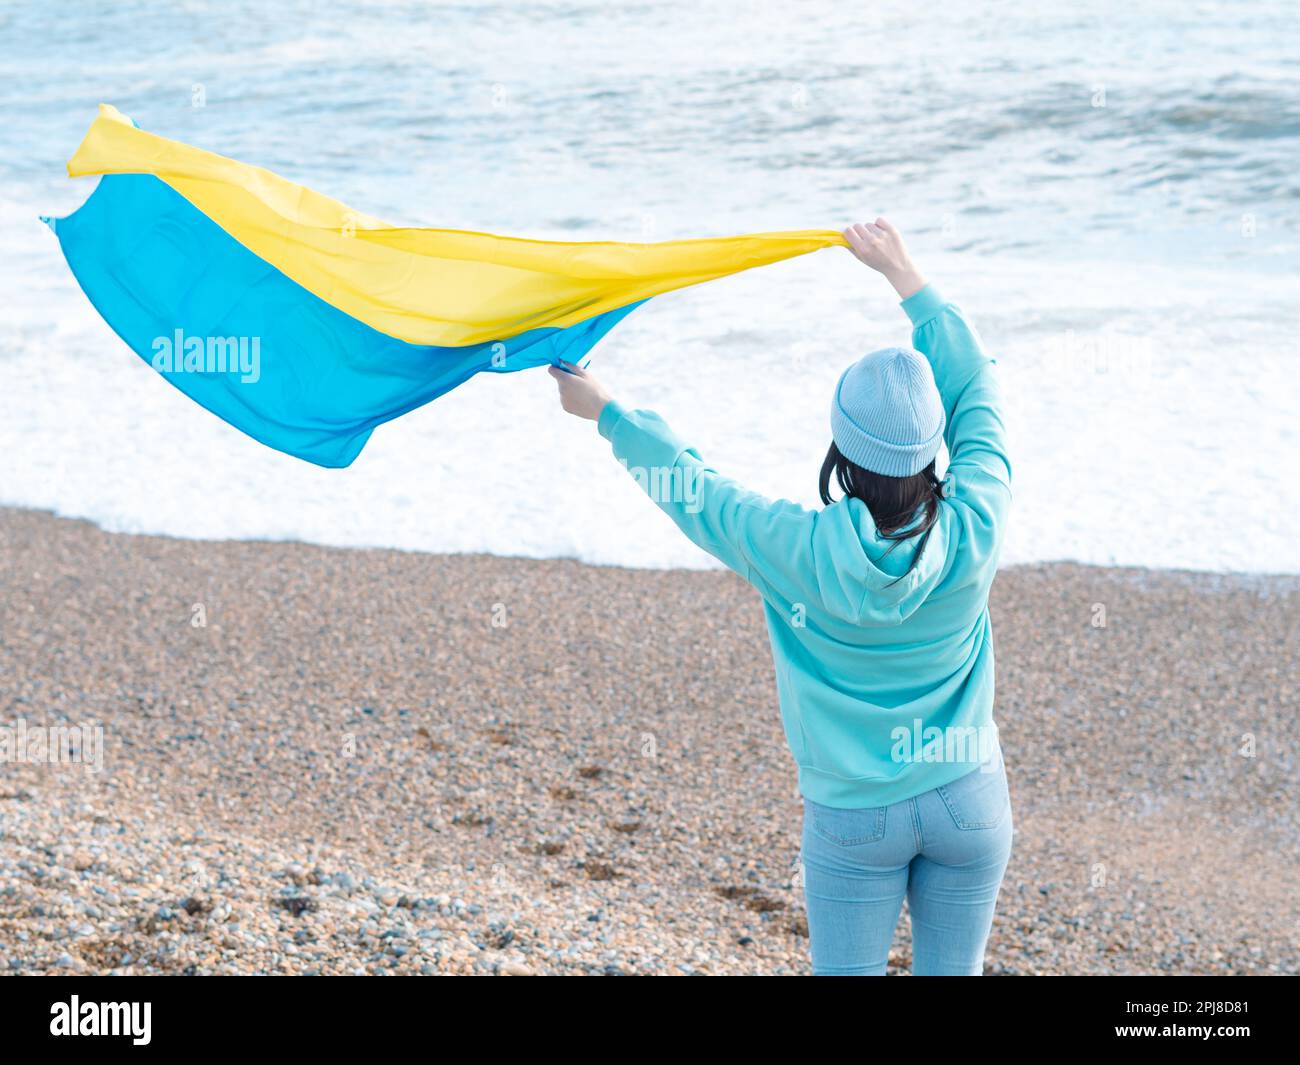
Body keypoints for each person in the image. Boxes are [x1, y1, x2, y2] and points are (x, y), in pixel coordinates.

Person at [549, 218, 1013, 976]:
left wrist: (606, 410)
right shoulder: (977, 522)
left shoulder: (792, 549)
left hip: (853, 815)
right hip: (970, 799)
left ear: (842, 449)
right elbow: (978, 390)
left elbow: (697, 492)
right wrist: (906, 275)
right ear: (933, 448)